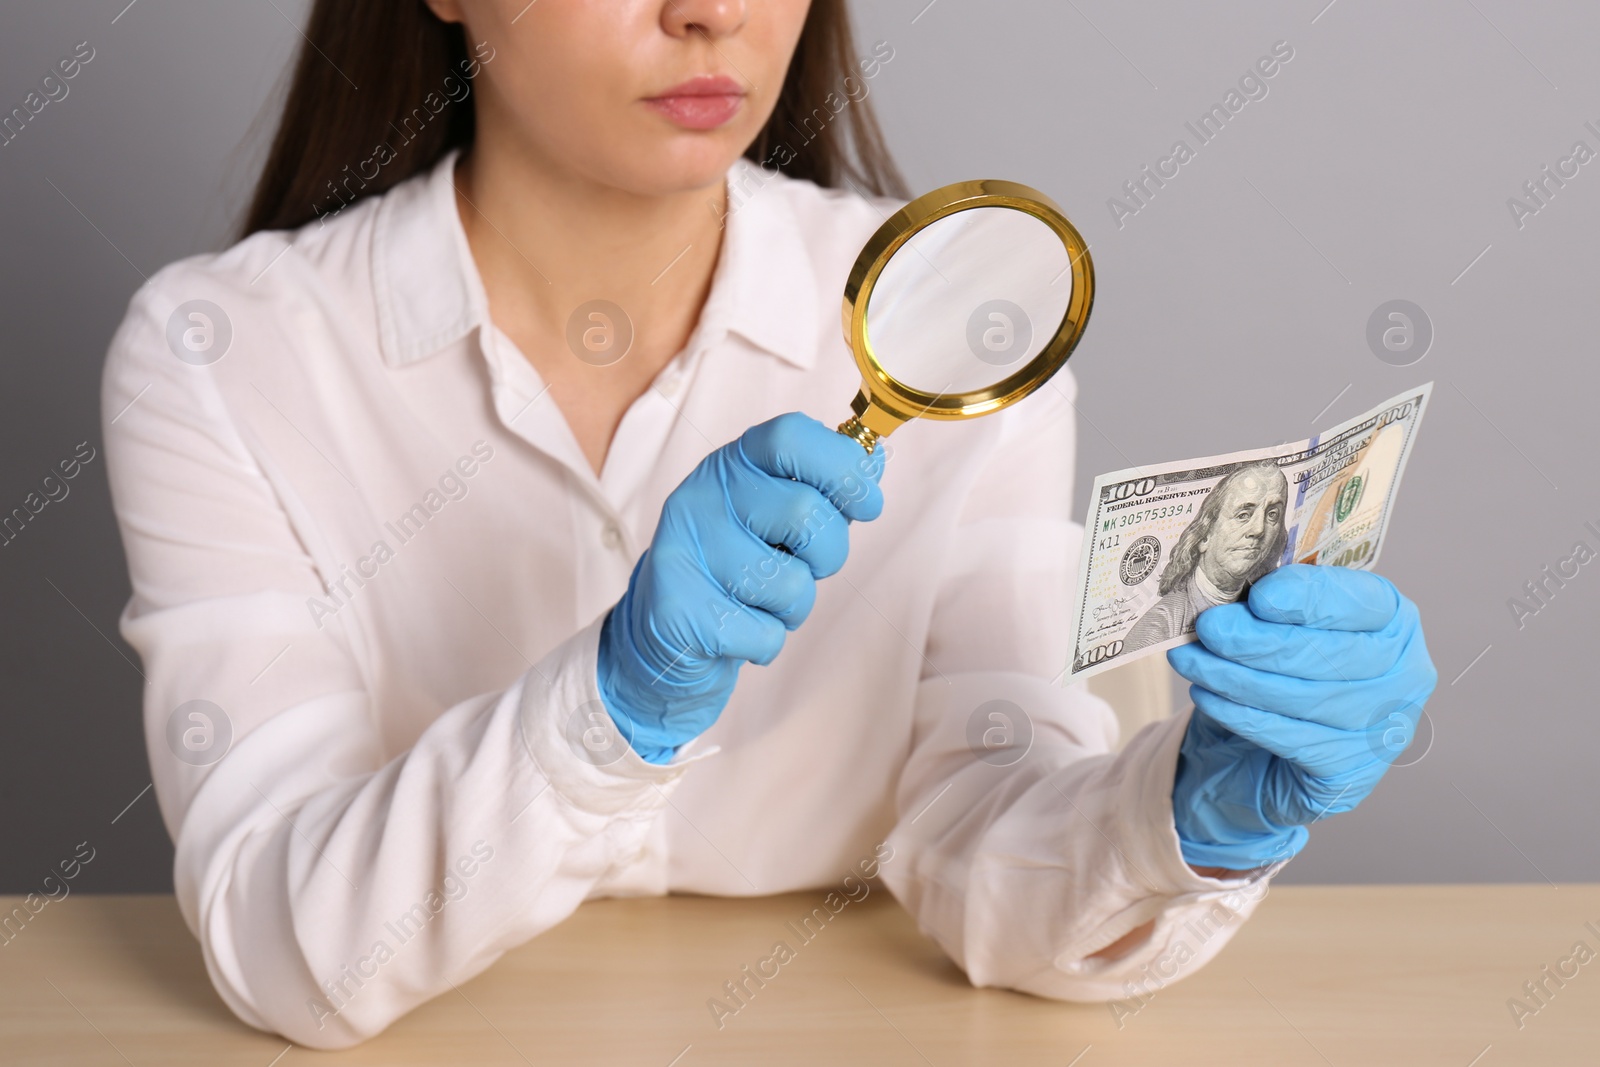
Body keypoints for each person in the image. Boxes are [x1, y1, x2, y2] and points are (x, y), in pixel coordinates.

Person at [100, 0, 1437, 1049]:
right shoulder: (221, 353)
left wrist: (1188, 820)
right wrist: (609, 704)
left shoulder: (964, 331)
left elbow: (999, 849)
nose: (713, 10)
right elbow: (282, 944)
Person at [1123, 461, 1288, 652]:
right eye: (1243, 514)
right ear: (1205, 535)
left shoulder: (1267, 601)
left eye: (1272, 515)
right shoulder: (1157, 629)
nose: (1259, 529)